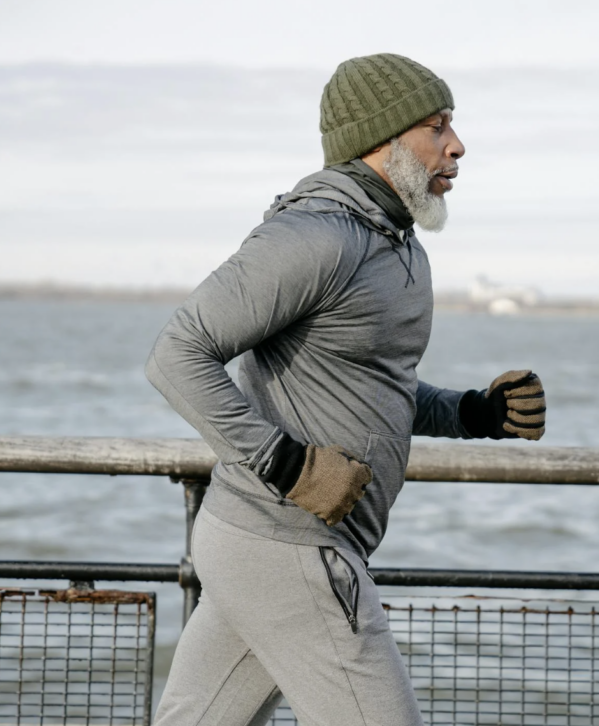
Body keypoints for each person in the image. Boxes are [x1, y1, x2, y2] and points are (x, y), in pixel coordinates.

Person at [146, 53, 546, 726]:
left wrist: (472, 412)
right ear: (381, 139)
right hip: (289, 544)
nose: (457, 145)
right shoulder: (315, 237)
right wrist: (288, 464)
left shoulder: (400, 247)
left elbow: (377, 388)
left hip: (266, 547)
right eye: (436, 126)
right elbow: (176, 355)